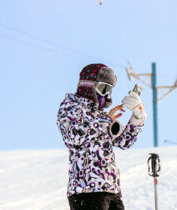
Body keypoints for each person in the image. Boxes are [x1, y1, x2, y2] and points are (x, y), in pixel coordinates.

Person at [56, 63, 147, 210]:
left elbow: (124, 142)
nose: (106, 95)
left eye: (109, 90)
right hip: (86, 191)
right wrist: (107, 120)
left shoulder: (101, 115)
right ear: (88, 86)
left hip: (111, 189)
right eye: (104, 88)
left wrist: (138, 117)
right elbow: (74, 136)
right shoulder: (71, 107)